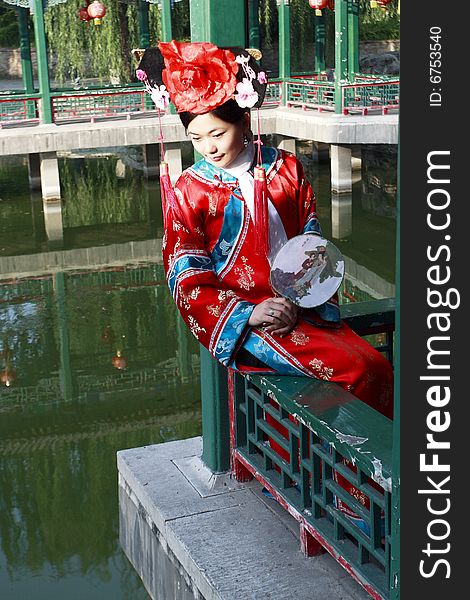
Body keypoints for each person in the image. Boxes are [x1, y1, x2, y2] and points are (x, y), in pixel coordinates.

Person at [137, 40, 393, 421]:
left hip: (299, 309)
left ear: (244, 120)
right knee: (361, 370)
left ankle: (363, 472)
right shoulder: (190, 189)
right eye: (197, 138)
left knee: (374, 365)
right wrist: (246, 314)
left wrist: (298, 298)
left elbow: (312, 241)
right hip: (246, 324)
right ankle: (360, 474)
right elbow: (183, 273)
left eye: (218, 133)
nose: (209, 147)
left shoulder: (286, 168)